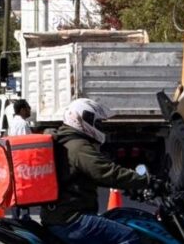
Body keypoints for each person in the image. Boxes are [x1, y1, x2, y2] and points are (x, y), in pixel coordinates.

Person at [41, 98, 155, 243]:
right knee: (129, 236)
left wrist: (130, 186)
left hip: (60, 217)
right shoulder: (78, 146)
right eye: (98, 123)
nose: (100, 127)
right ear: (83, 119)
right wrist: (146, 180)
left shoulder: (65, 141)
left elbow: (93, 175)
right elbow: (105, 172)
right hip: (72, 220)